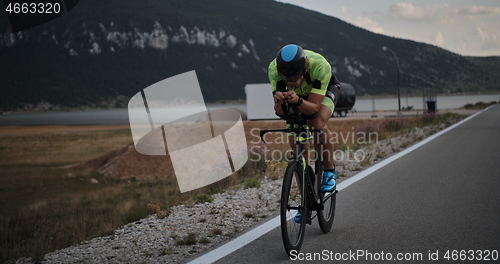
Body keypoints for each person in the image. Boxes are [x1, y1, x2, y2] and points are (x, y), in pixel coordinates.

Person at [268, 44, 339, 221]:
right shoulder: (273, 69)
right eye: (286, 77)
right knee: (297, 144)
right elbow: (280, 112)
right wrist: (279, 101)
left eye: (295, 76)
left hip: (322, 93)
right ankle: (305, 200)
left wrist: (298, 100)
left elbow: (314, 108)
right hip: (297, 97)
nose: (291, 80)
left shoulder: (320, 66)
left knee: (316, 123)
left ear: (304, 68)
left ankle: (329, 172)